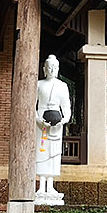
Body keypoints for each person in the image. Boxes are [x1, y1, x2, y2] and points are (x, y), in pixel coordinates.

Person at [35, 55, 71, 203]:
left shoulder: (62, 86)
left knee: (54, 154)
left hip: (56, 125)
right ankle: (41, 186)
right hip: (41, 124)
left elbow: (66, 107)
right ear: (44, 69)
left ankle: (50, 186)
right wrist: (38, 119)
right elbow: (32, 105)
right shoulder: (38, 84)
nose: (51, 70)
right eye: (49, 67)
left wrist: (63, 120)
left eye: (54, 67)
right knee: (41, 153)